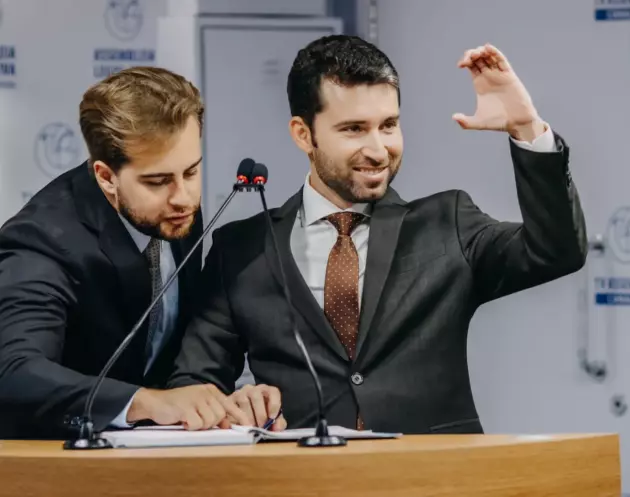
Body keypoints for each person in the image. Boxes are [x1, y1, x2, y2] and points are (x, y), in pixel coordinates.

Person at [168, 36, 587, 434]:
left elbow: (556, 252)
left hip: (433, 472)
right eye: (353, 129)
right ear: (303, 134)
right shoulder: (239, 250)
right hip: (302, 472)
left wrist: (527, 129)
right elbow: (194, 383)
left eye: (388, 125)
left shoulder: (448, 223)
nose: (378, 149)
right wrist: (234, 405)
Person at [0, 67, 285, 440]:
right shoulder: (42, 239)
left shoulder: (174, 211)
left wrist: (218, 404)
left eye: (192, 172)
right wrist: (144, 402)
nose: (183, 197)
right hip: (56, 456)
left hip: (156, 453)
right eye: (158, 181)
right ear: (106, 176)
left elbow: (172, 359)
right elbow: (14, 373)